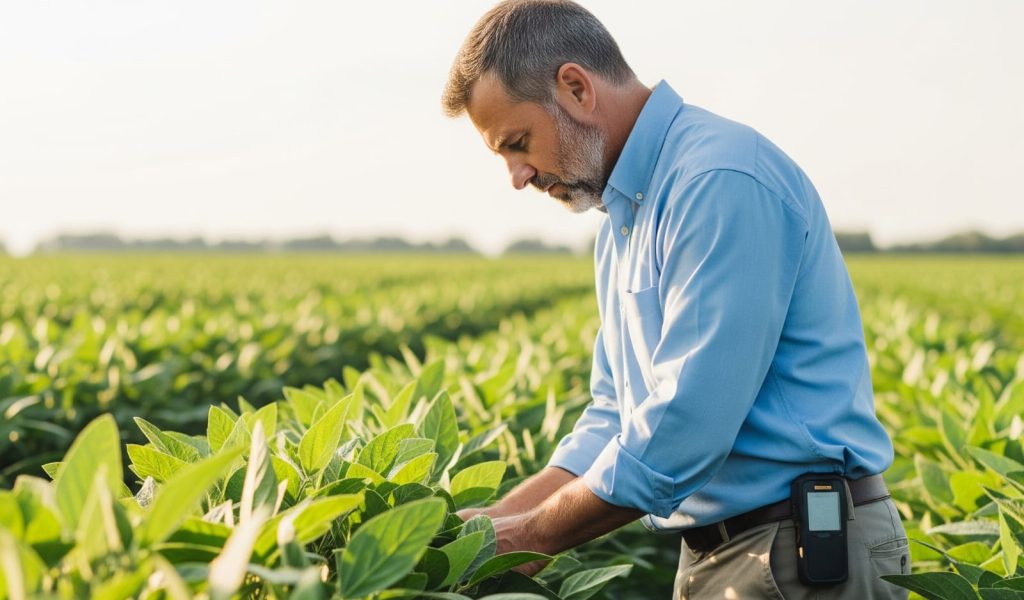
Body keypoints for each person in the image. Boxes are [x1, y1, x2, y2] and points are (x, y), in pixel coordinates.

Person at [441, 1, 910, 598]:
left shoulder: (717, 180)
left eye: (518, 142)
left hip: (800, 554)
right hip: (728, 551)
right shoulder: (623, 220)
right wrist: (494, 526)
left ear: (576, 87)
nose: (516, 175)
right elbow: (615, 416)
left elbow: (685, 425)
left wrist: (526, 537)